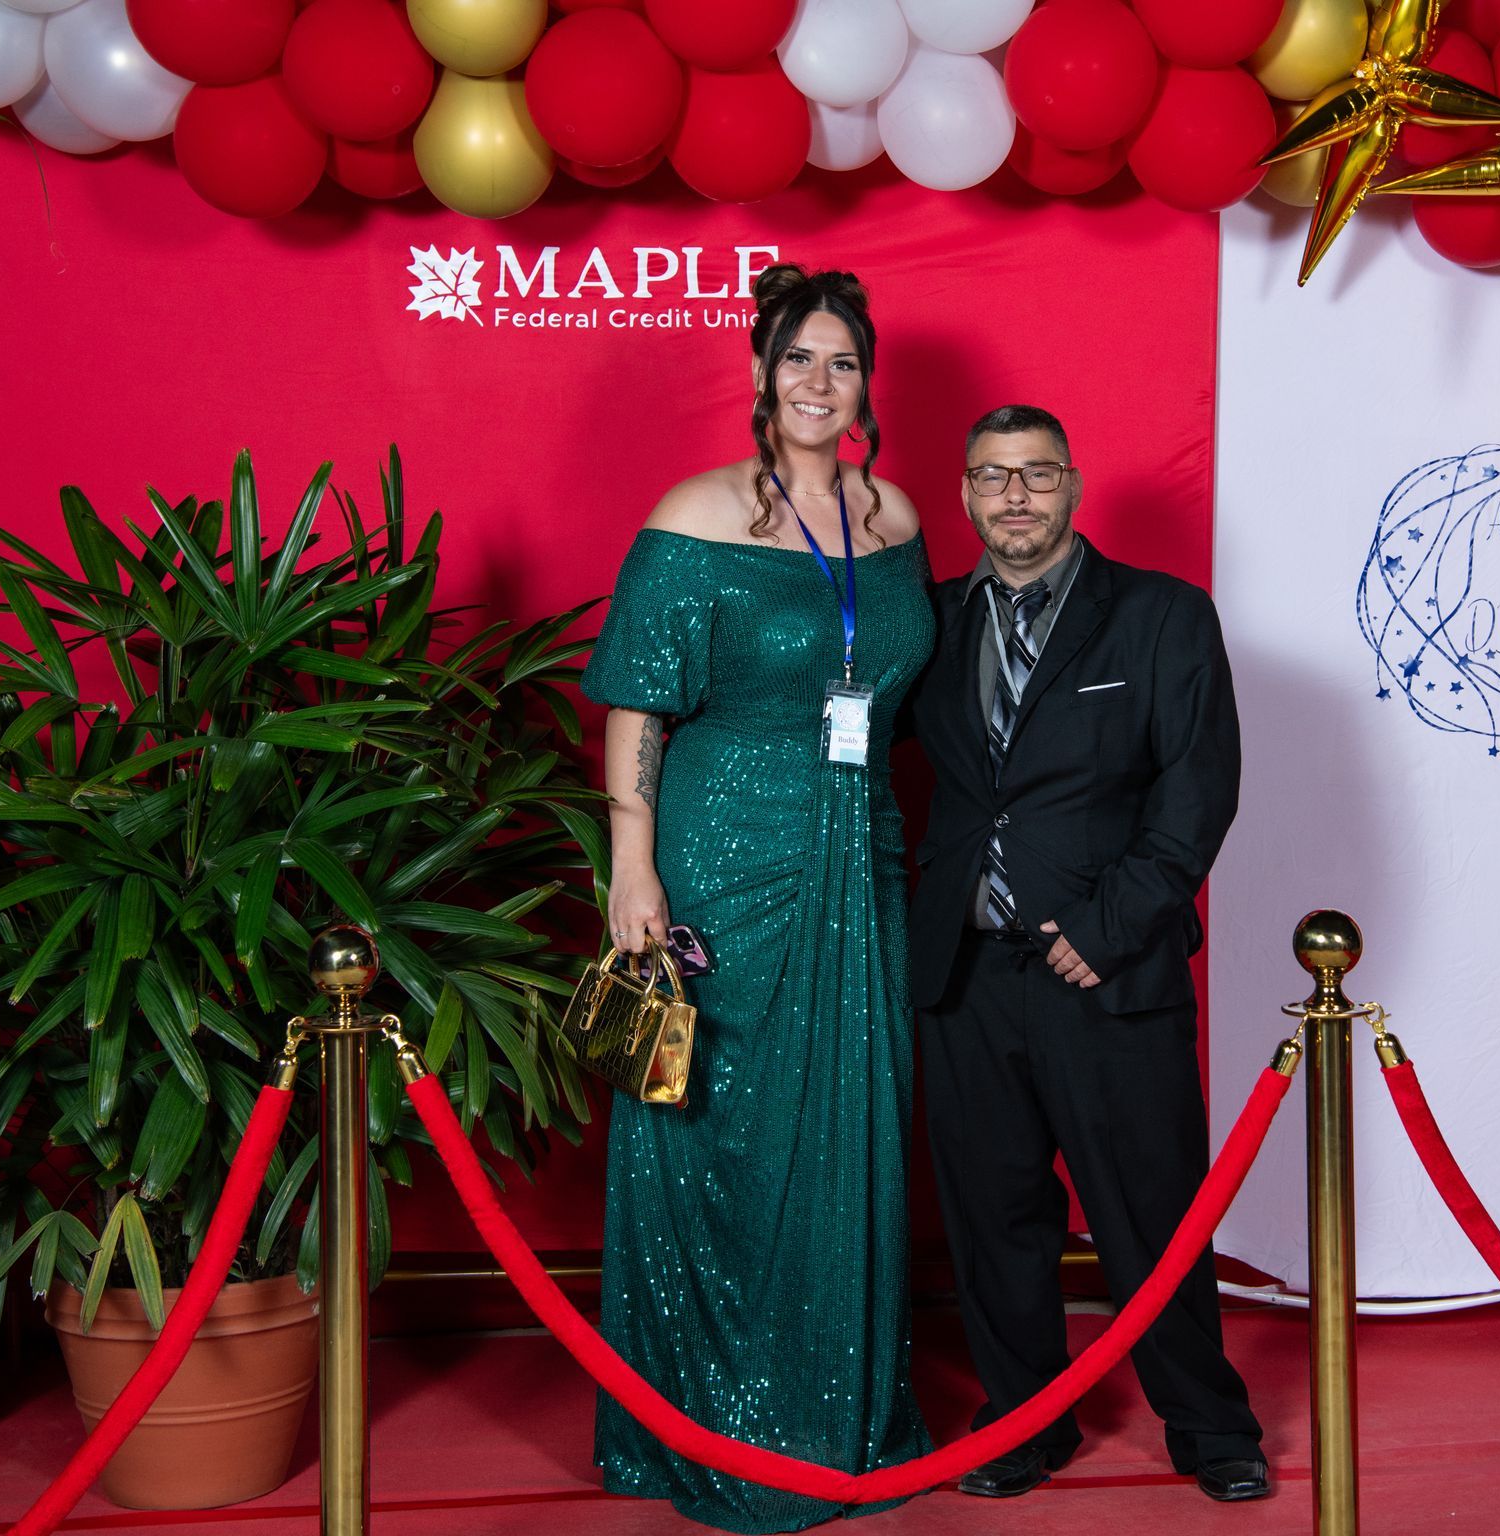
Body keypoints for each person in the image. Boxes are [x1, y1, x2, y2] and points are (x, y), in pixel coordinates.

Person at [578, 265, 934, 1532]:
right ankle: (704, 1418)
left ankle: (834, 1411)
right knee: (717, 1118)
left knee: (848, 1111)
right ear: (758, 375)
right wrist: (633, 863)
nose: (820, 383)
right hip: (724, 848)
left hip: (861, 846)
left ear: (866, 382)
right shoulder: (698, 513)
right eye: (798, 360)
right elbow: (638, 702)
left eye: (842, 362)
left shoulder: (893, 520)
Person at [907, 404, 1267, 1502]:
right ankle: (1026, 1424)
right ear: (966, 494)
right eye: (991, 476)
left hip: (1106, 976)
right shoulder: (929, 623)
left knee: (1150, 1214)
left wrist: (1109, 928)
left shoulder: (1162, 616)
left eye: (1035, 474)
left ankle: (1210, 1427)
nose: (1014, 495)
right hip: (963, 976)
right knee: (994, 1219)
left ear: (1071, 484)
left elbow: (1198, 791)